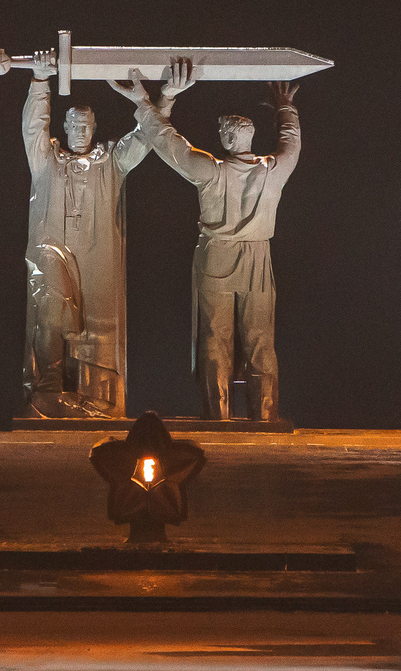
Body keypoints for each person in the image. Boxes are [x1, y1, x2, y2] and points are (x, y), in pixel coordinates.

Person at [116, 58, 303, 421]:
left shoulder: (211, 171)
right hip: (257, 259)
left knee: (216, 338)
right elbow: (291, 143)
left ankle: (218, 414)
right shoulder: (273, 171)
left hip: (217, 256)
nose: (225, 137)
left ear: (231, 138)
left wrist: (145, 103)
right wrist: (285, 108)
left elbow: (169, 144)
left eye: (226, 133)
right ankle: (264, 415)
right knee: (260, 338)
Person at [19, 55, 150, 416]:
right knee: (50, 307)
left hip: (96, 253)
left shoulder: (111, 161)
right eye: (74, 125)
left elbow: (144, 139)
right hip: (53, 248)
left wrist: (164, 101)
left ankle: (93, 395)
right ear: (64, 126)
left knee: (95, 324)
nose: (80, 131)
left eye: (86, 125)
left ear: (94, 128)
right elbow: (33, 128)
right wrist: (40, 83)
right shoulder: (46, 160)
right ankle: (48, 385)